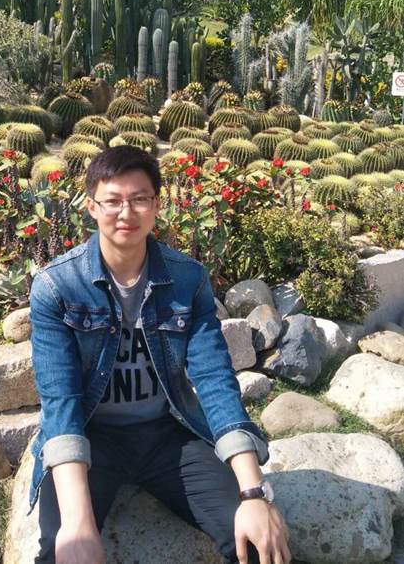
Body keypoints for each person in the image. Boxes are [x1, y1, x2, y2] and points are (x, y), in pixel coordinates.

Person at [28, 145, 291, 564]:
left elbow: (214, 381)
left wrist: (253, 493)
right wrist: (77, 523)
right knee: (60, 553)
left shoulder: (188, 279)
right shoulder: (56, 287)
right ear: (92, 207)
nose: (126, 213)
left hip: (168, 436)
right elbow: (60, 402)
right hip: (93, 436)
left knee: (255, 545)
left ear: (156, 205)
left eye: (139, 199)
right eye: (112, 201)